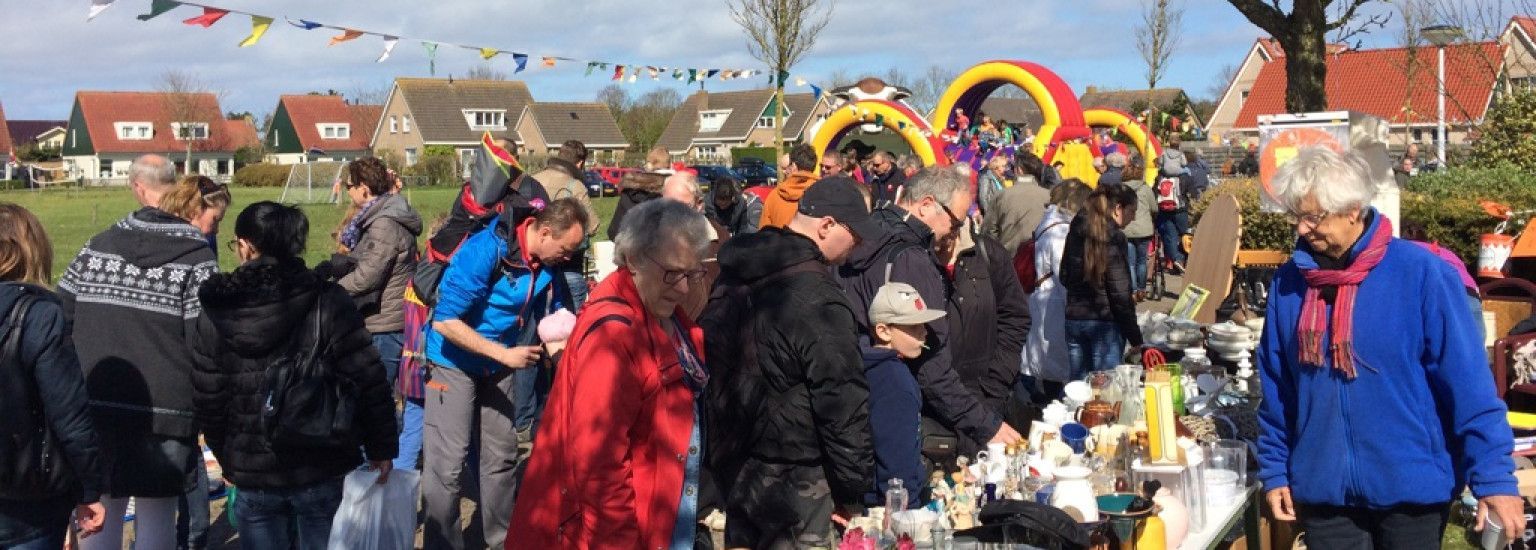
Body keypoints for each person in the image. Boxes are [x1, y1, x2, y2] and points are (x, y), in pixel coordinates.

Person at [1255, 146, 1523, 548]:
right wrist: (1275, 468)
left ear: (1353, 209)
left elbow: (1468, 383)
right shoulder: (1290, 284)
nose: (1302, 229)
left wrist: (1495, 477)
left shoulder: (1421, 274)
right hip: (1324, 490)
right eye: (1297, 216)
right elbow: (1277, 386)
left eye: (1314, 217)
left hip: (1412, 487)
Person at [190, 202, 398, 550]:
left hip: (260, 463)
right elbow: (367, 376)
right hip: (319, 455)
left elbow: (208, 395)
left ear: (246, 245)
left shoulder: (218, 310)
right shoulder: (328, 300)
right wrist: (381, 445)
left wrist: (227, 456)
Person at [511, 200, 713, 549]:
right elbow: (598, 466)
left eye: (691, 274)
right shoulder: (613, 338)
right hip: (626, 529)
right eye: (672, 273)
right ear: (632, 259)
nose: (683, 289)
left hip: (663, 514)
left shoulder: (668, 314)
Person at [703, 177, 878, 548]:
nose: (858, 244)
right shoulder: (818, 295)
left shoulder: (732, 273)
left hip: (735, 463)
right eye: (855, 234)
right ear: (827, 225)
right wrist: (852, 490)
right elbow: (842, 399)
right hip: (797, 477)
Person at [59, 154, 218, 550]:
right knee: (157, 516)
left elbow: (60, 316)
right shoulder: (198, 259)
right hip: (166, 410)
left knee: (98, 511)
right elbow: (207, 340)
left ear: (136, 186)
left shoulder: (95, 248)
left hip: (96, 401)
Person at [421, 198, 590, 550]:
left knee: (502, 457)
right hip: (452, 360)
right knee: (448, 467)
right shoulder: (487, 250)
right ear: (544, 232)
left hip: (498, 362)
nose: (569, 257)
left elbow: (555, 313)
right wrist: (503, 354)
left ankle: (502, 540)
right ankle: (444, 544)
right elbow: (445, 320)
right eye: (566, 249)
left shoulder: (547, 262)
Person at [837, 167, 1024, 469]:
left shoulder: (864, 237)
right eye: (955, 222)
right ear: (926, 205)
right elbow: (931, 364)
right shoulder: (912, 257)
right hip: (906, 405)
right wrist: (985, 424)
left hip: (861, 397)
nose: (956, 232)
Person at [0, 204, 107, 549]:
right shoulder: (40, 315)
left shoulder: (36, 315)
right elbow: (70, 414)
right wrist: (90, 489)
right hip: (27, 494)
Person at [155, 175, 231, 550]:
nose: (215, 228)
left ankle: (191, 534)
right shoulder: (189, 255)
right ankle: (190, 536)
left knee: (188, 469)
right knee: (182, 472)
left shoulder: (199, 246)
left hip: (177, 382)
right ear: (193, 211)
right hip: (176, 383)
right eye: (215, 220)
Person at [935, 213, 1032, 454]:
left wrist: (997, 380)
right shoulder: (914, 258)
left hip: (987, 393)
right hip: (934, 402)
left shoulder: (987, 254)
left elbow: (1015, 317)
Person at [333, 158, 424, 388]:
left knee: (379, 397)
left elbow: (369, 275)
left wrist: (332, 290)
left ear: (364, 188)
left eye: (349, 186)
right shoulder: (382, 213)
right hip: (383, 318)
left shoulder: (384, 222)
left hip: (385, 323)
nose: (348, 191)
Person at [863, 282, 944, 509]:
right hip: (894, 505)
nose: (924, 332)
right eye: (914, 326)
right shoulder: (894, 382)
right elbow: (897, 461)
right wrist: (906, 509)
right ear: (883, 331)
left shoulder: (873, 368)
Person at [1020, 180, 1095, 403]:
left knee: (1043, 360)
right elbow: (1064, 273)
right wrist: (1076, 307)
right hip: (1054, 302)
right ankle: (1049, 404)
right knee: (1056, 364)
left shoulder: (1049, 221)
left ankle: (1038, 397)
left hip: (1043, 298)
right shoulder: (1061, 232)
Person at [1060, 184, 1144, 377]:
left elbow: (1064, 275)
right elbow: (1120, 294)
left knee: (1079, 390)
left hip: (1075, 319)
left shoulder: (1076, 229)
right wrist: (1135, 336)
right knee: (1105, 393)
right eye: (1132, 211)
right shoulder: (1114, 237)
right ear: (1118, 209)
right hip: (1104, 324)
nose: (1134, 218)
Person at [531, 140, 599, 308]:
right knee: (570, 325)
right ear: (580, 163)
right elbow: (592, 226)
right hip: (568, 267)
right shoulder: (575, 186)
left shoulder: (532, 180)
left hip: (532, 267)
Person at [1401, 219, 1483, 342]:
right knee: (1476, 344)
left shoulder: (1406, 252)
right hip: (1471, 295)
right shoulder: (1446, 252)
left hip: (1443, 293)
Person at [661, 172, 727, 320]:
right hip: (673, 331)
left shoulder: (721, 238)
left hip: (714, 328)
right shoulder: (650, 242)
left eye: (683, 207)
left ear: (699, 204)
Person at [983, 151, 1053, 254]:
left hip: (1010, 259)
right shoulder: (1050, 196)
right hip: (1041, 258)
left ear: (1019, 170)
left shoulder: (1002, 196)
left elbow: (988, 232)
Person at [759, 143, 821, 229]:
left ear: (794, 165)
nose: (784, 171)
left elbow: (764, 233)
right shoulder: (824, 193)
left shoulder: (775, 195)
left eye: (787, 167)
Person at [1121, 162, 1157, 302]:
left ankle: (1133, 291)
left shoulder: (1121, 189)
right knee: (1142, 261)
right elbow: (1154, 208)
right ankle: (1142, 290)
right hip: (1144, 229)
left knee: (1130, 262)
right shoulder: (1145, 188)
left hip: (1127, 229)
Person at [607, 171, 664, 241]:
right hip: (654, 247)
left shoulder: (626, 196)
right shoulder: (660, 199)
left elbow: (613, 231)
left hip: (627, 246)